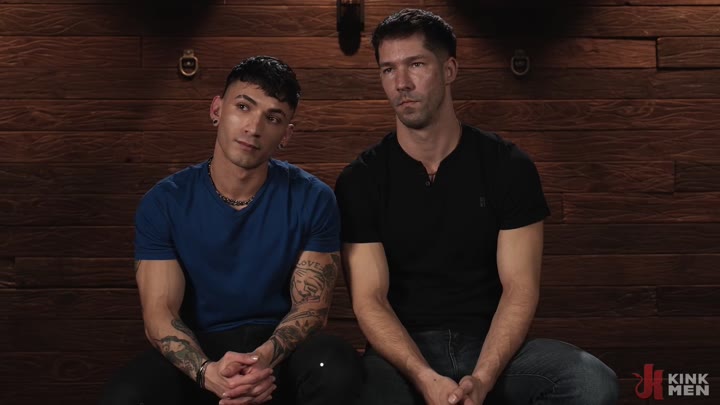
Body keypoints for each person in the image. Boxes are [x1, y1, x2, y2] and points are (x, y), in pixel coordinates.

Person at [334, 9, 619, 405]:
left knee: (591, 381)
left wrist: (482, 379)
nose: (401, 83)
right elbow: (370, 300)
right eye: (388, 70)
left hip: (490, 347)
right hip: (401, 356)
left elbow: (519, 289)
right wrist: (425, 378)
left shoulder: (508, 166)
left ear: (449, 70)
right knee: (361, 390)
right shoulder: (361, 179)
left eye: (416, 65)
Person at [100, 56, 361, 405]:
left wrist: (260, 360)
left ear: (286, 134)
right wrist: (208, 372)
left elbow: (311, 309)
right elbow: (160, 314)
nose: (254, 127)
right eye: (243, 107)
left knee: (335, 365)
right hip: (200, 353)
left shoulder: (313, 197)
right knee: (126, 396)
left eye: (273, 118)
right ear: (216, 110)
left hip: (276, 354)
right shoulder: (164, 202)